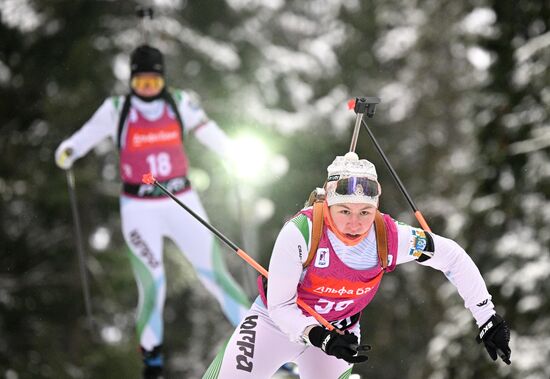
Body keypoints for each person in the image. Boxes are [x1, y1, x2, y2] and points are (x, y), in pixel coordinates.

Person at [203, 152, 511, 379]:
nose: (354, 223)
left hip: (339, 334)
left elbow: (452, 256)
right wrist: (319, 336)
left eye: (365, 212)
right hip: (274, 326)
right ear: (327, 205)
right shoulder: (301, 233)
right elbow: (281, 307)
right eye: (345, 211)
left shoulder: (389, 237)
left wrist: (487, 317)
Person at [55, 44, 250, 379]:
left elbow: (209, 132)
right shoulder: (116, 108)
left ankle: (260, 342)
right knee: (152, 285)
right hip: (139, 209)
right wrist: (68, 151)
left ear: (163, 81)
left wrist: (230, 152)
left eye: (154, 84)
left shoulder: (179, 102)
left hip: (181, 201)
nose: (148, 91)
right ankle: (152, 364)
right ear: (131, 81)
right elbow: (82, 138)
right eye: (141, 84)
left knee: (215, 275)